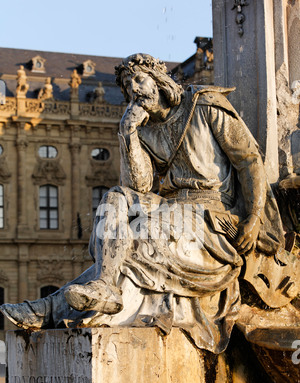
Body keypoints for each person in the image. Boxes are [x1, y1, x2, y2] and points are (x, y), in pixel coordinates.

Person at [0, 53, 297, 354]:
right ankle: (104, 286)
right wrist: (128, 132)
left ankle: (52, 307)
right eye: (128, 88)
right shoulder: (144, 128)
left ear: (159, 79)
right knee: (115, 196)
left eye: (139, 80)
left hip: (214, 214)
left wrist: (254, 217)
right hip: (174, 209)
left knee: (139, 234)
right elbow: (138, 187)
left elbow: (248, 161)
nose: (135, 91)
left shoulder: (204, 105)